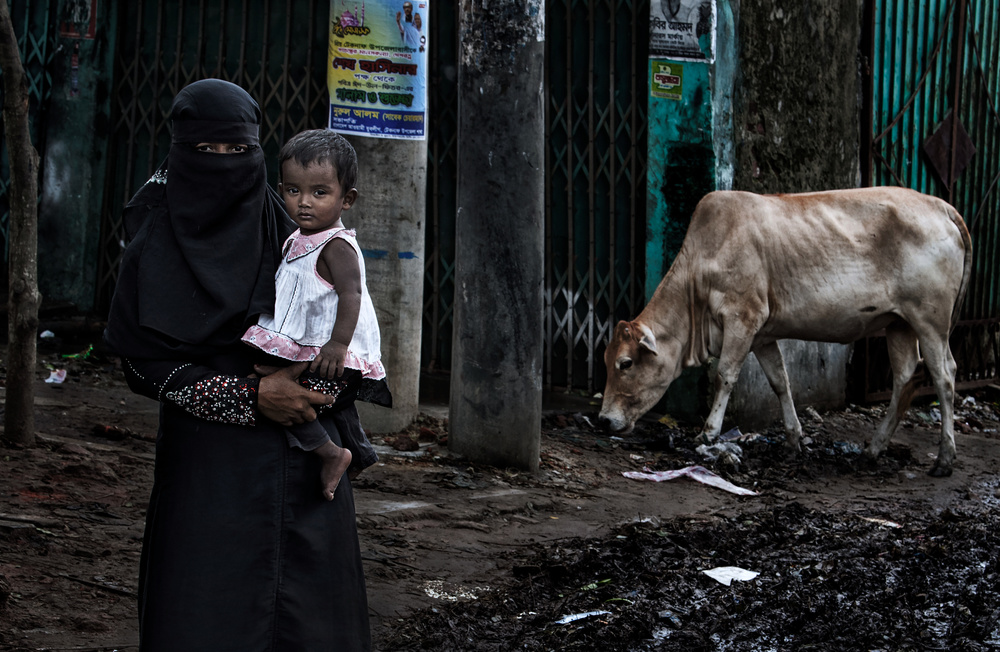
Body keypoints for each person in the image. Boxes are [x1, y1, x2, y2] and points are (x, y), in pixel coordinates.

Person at [104, 79, 371, 651]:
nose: (224, 166)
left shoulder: (291, 231)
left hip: (303, 467)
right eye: (206, 152)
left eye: (239, 151)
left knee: (310, 623)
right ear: (178, 152)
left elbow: (345, 325)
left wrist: (319, 392)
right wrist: (246, 396)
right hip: (208, 471)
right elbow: (141, 364)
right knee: (206, 614)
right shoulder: (153, 238)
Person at [243, 128, 392, 502]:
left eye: (319, 193)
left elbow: (351, 293)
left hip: (328, 350)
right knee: (308, 394)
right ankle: (360, 453)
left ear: (347, 199)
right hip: (307, 346)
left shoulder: (336, 245)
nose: (304, 202)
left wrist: (338, 344)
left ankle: (331, 453)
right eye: (293, 191)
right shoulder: (297, 237)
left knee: (299, 399)